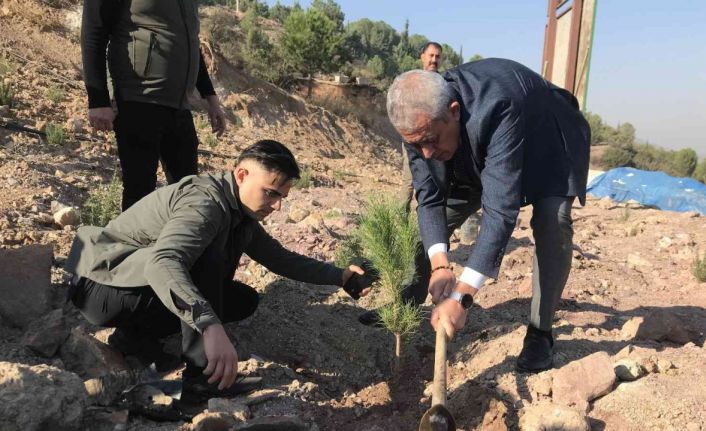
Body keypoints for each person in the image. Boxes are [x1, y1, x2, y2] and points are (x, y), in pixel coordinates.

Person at [65, 140, 371, 400]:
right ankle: (201, 383)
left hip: (130, 285)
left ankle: (133, 339)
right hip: (99, 285)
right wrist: (209, 325)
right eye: (271, 193)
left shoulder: (241, 212)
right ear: (241, 175)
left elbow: (279, 259)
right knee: (203, 263)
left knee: (241, 300)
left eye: (282, 198)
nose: (277, 207)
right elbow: (164, 263)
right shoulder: (205, 203)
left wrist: (338, 275)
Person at [385, 59, 590, 372]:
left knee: (553, 220)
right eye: (416, 144)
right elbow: (429, 198)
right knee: (425, 233)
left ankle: (540, 331)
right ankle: (406, 307)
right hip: (472, 149)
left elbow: (500, 208)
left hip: (548, 142)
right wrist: (440, 265)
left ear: (454, 111)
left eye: (430, 141)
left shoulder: (497, 105)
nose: (425, 153)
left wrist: (462, 296)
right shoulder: (419, 122)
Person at [81, 0, 227, 210]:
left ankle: (178, 242)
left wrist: (210, 97)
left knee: (188, 189)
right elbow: (93, 31)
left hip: (179, 105)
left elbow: (189, 42)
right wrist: (98, 101)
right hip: (138, 97)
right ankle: (131, 243)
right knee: (139, 190)